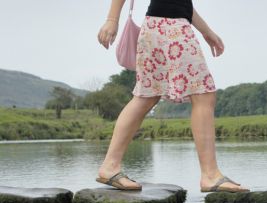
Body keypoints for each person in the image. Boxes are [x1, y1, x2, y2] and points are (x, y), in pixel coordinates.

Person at [96, 0, 249, 193]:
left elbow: (180, 2)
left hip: (161, 26)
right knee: (203, 94)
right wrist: (111, 19)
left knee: (146, 96)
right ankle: (210, 175)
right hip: (170, 28)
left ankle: (110, 166)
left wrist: (206, 31)